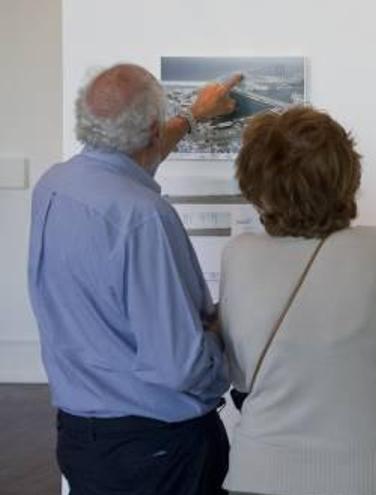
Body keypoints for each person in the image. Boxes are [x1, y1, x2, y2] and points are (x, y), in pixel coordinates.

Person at [28, 63, 242, 494]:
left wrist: (193, 117)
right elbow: (181, 365)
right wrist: (222, 339)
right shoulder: (143, 217)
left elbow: (131, 158)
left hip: (82, 440)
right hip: (156, 450)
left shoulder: (54, 185)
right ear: (150, 127)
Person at [219, 107, 376, 495]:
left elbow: (242, 378)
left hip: (263, 474)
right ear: (345, 174)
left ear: (257, 183)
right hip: (370, 474)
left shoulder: (239, 254)